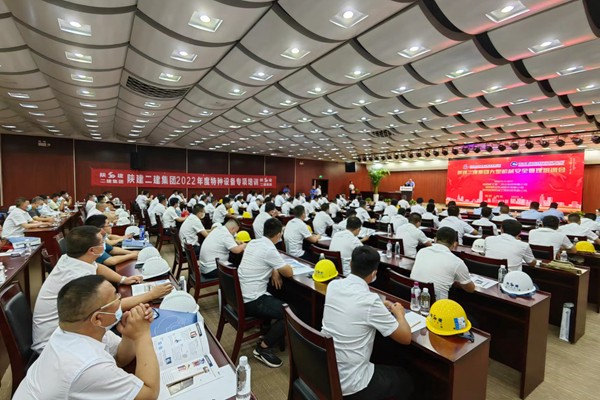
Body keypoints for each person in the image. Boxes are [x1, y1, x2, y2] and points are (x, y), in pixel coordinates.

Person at [15, 275, 160, 399]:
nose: (120, 300)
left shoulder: (75, 330)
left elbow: (120, 359)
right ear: (98, 318)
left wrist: (129, 335)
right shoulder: (88, 365)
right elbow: (149, 394)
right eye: (116, 298)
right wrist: (142, 335)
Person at [31, 226, 172, 353]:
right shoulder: (77, 277)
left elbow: (97, 267)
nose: (105, 244)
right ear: (92, 250)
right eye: (102, 242)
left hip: (71, 326)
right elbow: (109, 307)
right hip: (57, 342)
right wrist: (151, 294)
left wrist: (123, 279)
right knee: (141, 335)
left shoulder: (71, 258)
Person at [322, 246, 413, 400]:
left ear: (350, 264)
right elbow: (406, 338)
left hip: (326, 369)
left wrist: (378, 307)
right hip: (352, 384)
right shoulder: (370, 301)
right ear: (374, 274)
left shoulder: (333, 285)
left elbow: (354, 304)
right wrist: (400, 314)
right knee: (405, 379)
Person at [238, 218, 293, 368]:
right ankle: (263, 347)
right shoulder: (269, 249)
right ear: (278, 235)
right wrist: (278, 267)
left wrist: (274, 269)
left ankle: (267, 331)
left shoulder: (253, 243)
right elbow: (288, 272)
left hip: (240, 296)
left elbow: (263, 261)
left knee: (277, 296)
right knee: (290, 312)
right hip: (252, 300)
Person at [411, 227, 475, 300]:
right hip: (439, 305)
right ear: (455, 244)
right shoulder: (457, 262)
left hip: (414, 298)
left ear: (435, 239)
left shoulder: (421, 251)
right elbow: (470, 289)